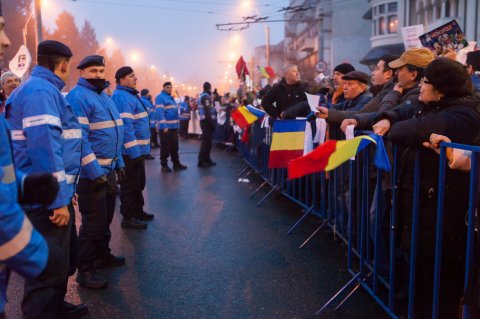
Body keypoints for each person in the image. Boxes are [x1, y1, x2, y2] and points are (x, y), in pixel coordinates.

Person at [372, 57, 480, 318]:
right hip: (424, 216)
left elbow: (402, 131)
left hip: (444, 222)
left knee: (439, 294)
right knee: (422, 289)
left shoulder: (461, 114)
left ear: (442, 88)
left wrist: (395, 125)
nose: (421, 85)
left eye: (426, 81)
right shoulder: (433, 106)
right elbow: (402, 114)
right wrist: (387, 117)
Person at [5, 40, 87, 319]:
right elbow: (45, 147)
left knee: (60, 264)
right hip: (43, 203)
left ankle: (55, 307)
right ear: (63, 65)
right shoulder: (41, 92)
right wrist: (56, 201)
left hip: (47, 195)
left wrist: (65, 192)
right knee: (45, 272)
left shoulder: (39, 89)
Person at [66, 55, 126, 290]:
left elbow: (115, 131)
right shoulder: (78, 97)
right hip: (92, 175)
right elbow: (79, 137)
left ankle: (102, 255)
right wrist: (94, 171)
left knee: (106, 219)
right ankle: (86, 269)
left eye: (101, 71)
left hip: (108, 170)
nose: (99, 75)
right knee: (93, 223)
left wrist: (119, 161)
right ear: (82, 73)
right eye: (93, 71)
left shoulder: (104, 96)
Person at [341, 48, 434, 132]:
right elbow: (381, 115)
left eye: (400, 69)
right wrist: (357, 120)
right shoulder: (404, 90)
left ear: (413, 75)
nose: (396, 73)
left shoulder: (417, 95)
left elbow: (386, 114)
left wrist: (394, 93)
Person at [111, 66, 153, 229]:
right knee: (129, 186)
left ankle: (138, 211)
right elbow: (126, 128)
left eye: (135, 76)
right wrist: (134, 153)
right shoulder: (121, 97)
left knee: (138, 183)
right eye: (131, 76)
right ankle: (128, 217)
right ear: (122, 80)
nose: (135, 79)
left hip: (137, 151)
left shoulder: (130, 95)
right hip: (129, 152)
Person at [313, 55, 397, 124]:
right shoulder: (350, 99)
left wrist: (329, 113)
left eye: (377, 69)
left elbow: (360, 114)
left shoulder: (371, 97)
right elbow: (336, 107)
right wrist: (323, 108)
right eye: (345, 83)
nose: (373, 72)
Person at [155, 82, 187, 172]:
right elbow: (160, 113)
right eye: (167, 87)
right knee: (165, 147)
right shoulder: (160, 97)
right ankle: (164, 165)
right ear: (163, 88)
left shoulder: (171, 97)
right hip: (166, 128)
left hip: (173, 127)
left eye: (170, 87)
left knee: (174, 147)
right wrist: (164, 126)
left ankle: (176, 163)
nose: (169, 89)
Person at [197, 81, 216, 167]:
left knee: (208, 142)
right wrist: (211, 124)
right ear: (209, 88)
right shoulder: (206, 97)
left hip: (204, 121)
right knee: (206, 142)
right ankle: (201, 161)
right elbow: (207, 111)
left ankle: (207, 159)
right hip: (206, 122)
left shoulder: (202, 96)